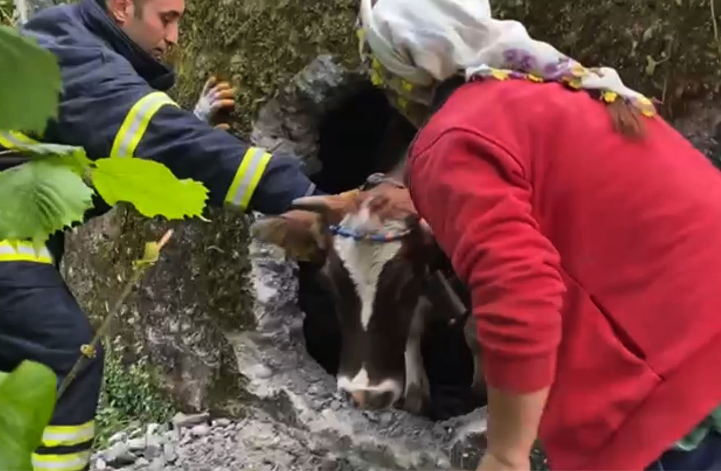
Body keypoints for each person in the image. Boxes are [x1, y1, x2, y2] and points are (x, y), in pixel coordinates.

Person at [303, 0, 721, 469]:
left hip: (675, 393)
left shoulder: (452, 138)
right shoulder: (565, 88)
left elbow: (519, 290)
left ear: (404, 68)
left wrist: (506, 453)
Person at [0, 0, 323, 469]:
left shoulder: (70, 46)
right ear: (120, 7)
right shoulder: (71, 53)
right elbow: (161, 137)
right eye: (166, 18)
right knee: (66, 360)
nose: (174, 37)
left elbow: (117, 164)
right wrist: (309, 196)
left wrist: (190, 129)